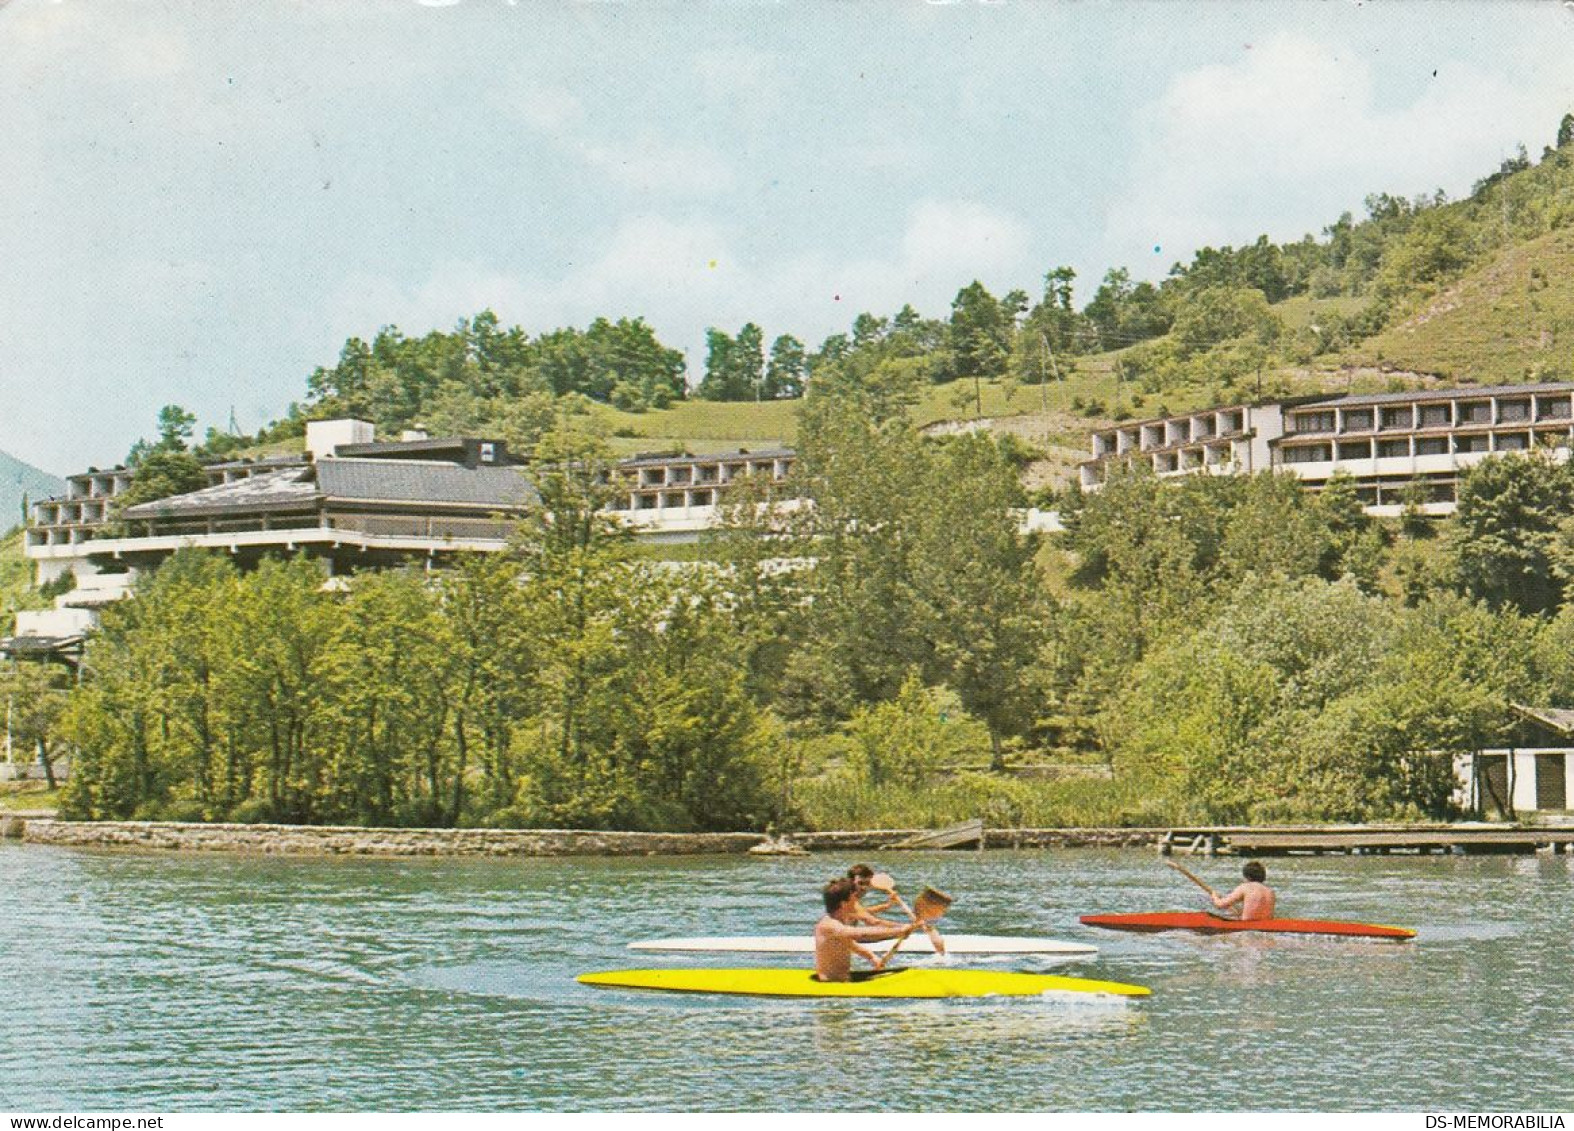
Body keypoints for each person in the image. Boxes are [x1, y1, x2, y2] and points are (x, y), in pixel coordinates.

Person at [814, 877, 921, 982]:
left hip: (844, 979)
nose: (857, 901)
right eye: (854, 898)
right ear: (843, 904)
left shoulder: (841, 920)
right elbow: (861, 934)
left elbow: (848, 943)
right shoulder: (829, 925)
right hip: (831, 984)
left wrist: (871, 956)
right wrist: (898, 931)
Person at [1211, 860, 1276, 921]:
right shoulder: (1270, 891)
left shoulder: (1245, 887)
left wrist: (1214, 896)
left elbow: (1220, 904)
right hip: (1267, 926)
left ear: (1248, 877)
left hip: (1248, 927)